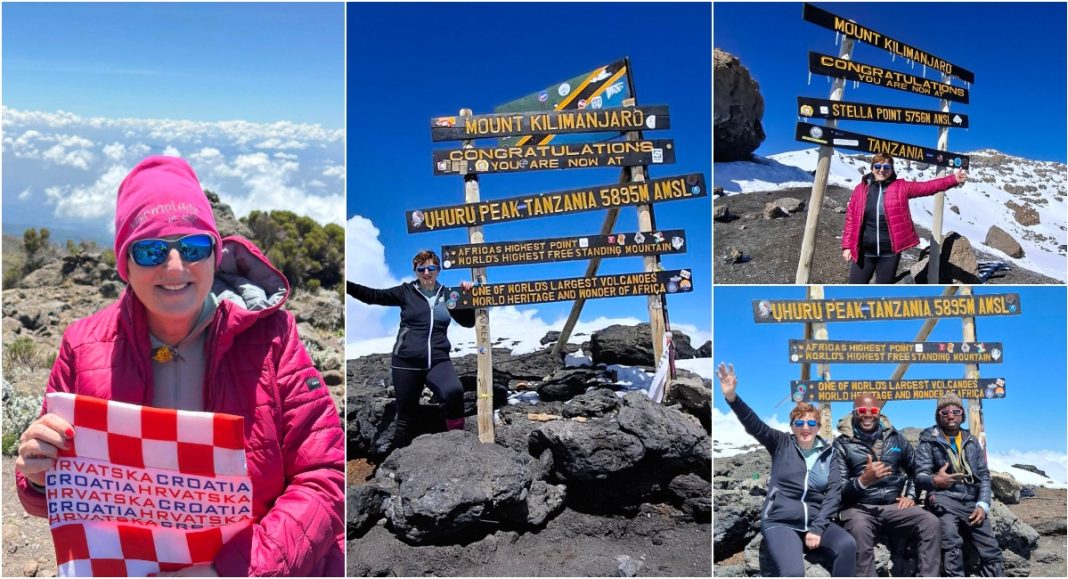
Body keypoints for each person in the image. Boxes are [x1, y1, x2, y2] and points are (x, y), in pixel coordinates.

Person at [14, 156, 345, 577]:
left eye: (193, 248)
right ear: (125, 264)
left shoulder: (274, 337)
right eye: (151, 250)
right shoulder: (81, 347)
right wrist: (39, 472)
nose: (174, 267)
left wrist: (232, 570)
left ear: (215, 253)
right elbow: (53, 495)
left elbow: (325, 473)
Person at [716, 363, 856, 576]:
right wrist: (732, 397)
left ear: (818, 427)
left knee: (847, 545)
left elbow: (834, 494)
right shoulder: (780, 443)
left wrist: (817, 528)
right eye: (799, 422)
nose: (805, 427)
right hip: (780, 521)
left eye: (811, 423)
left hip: (815, 521)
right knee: (793, 573)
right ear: (792, 426)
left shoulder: (829, 453)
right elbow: (754, 424)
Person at [347, 250, 475, 448]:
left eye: (431, 268)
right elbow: (372, 296)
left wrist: (467, 297)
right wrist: (345, 284)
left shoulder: (449, 295)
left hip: (439, 361)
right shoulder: (405, 292)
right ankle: (395, 460)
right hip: (406, 363)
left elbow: (468, 322)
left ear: (438, 270)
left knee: (454, 392)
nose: (426, 272)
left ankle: (458, 444)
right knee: (406, 416)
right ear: (415, 271)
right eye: (421, 268)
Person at [834, 394, 941, 576]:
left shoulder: (896, 438)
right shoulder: (841, 445)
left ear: (879, 413)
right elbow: (839, 490)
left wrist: (911, 496)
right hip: (859, 507)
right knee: (859, 530)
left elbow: (916, 470)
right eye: (861, 411)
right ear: (853, 413)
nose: (868, 414)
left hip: (894, 505)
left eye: (873, 410)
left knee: (930, 522)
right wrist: (863, 481)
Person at [841, 154, 968, 284]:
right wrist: (847, 246)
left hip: (889, 253)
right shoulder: (860, 189)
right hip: (863, 252)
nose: (882, 170)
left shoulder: (900, 187)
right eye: (878, 166)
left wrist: (953, 179)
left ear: (892, 169)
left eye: (886, 167)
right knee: (854, 290)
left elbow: (927, 187)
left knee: (882, 293)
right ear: (872, 168)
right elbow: (851, 219)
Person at [915, 392, 1003, 576]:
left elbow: (984, 475)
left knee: (991, 549)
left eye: (956, 411)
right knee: (951, 544)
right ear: (938, 416)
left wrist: (983, 504)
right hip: (943, 498)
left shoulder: (971, 441)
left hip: (971, 501)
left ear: (962, 414)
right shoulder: (928, 440)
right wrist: (935, 480)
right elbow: (920, 476)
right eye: (944, 412)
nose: (951, 415)